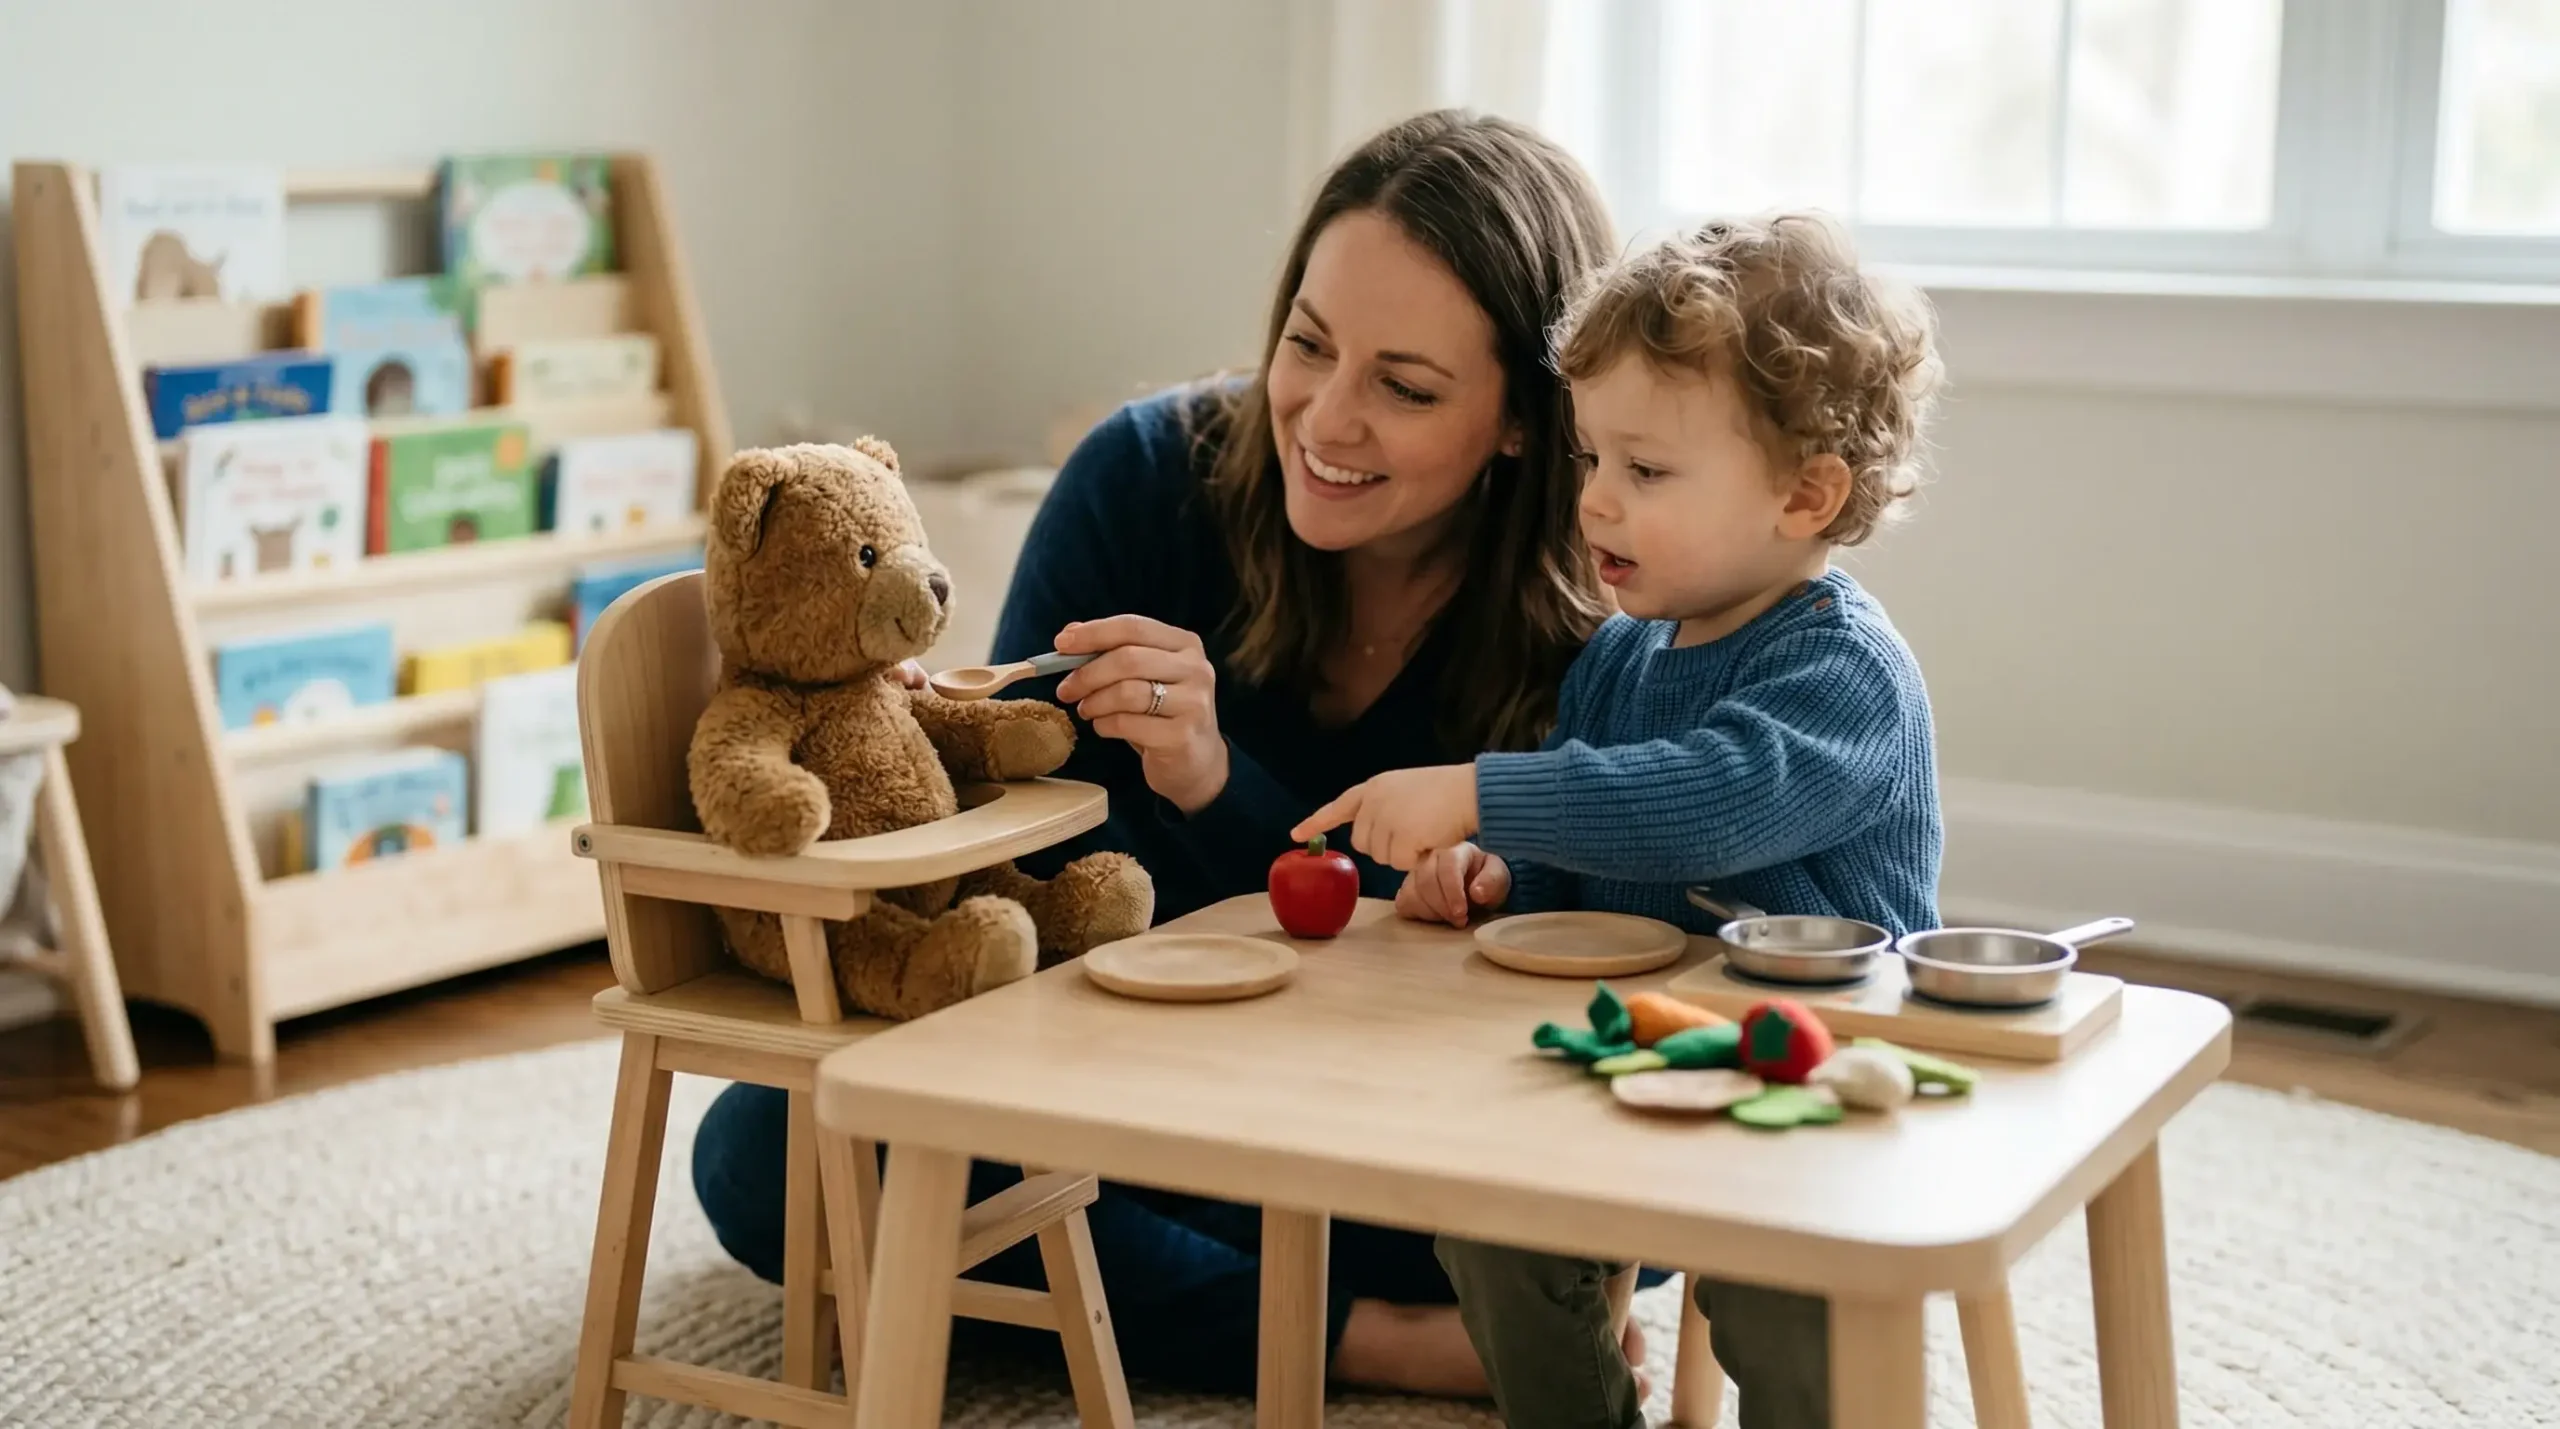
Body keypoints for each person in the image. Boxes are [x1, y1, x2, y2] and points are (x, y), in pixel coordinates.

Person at [689, 108, 1650, 1398]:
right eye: (1308, 344)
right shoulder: (1143, 477)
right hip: (1109, 1065)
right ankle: (1370, 1338)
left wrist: (1216, 784)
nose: (1326, 416)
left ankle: (1185, 1274)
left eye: (1406, 387)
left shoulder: (1597, 619)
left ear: (1524, 421)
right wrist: (930, 737)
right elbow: (1018, 856)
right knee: (770, 1150)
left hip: (1379, 1093)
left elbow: (1493, 975)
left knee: (1585, 1205)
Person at [1295, 212, 1947, 1429]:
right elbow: (1579, 860)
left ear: (1805, 494)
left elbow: (1705, 804)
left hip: (1811, 1083)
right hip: (1642, 1060)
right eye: (1592, 460)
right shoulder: (1617, 657)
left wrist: (1482, 787)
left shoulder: (1844, 673)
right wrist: (1495, 869)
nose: (1595, 503)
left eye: (1645, 473)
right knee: (1489, 1225)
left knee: (1777, 1296)